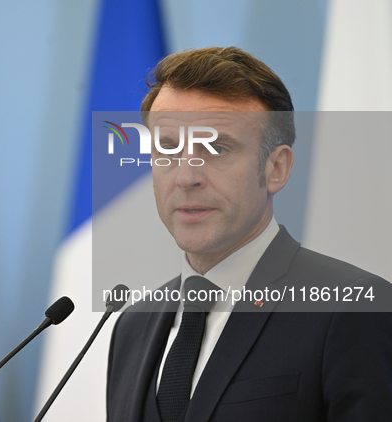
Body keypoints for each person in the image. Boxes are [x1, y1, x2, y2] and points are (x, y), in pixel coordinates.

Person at [106, 46, 392, 422]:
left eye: (217, 148)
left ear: (276, 168)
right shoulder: (131, 325)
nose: (187, 176)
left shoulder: (352, 308)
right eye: (169, 149)